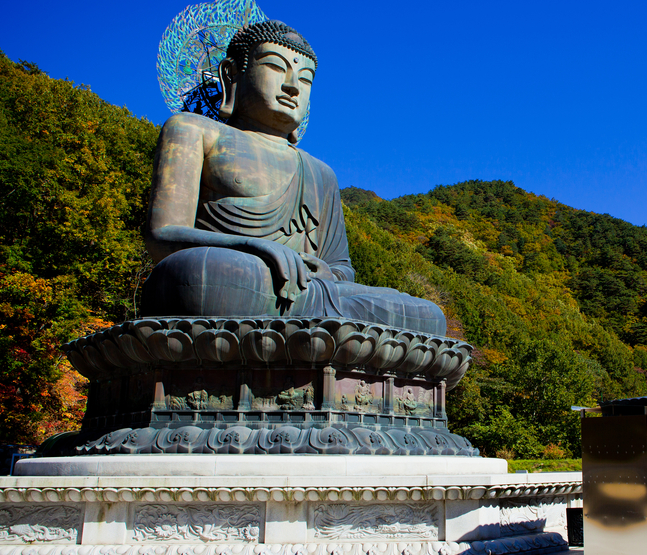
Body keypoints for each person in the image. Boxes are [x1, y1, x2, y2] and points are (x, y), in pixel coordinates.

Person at [140, 20, 446, 335]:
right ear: (231, 75)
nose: (292, 86)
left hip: (303, 291)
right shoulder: (193, 130)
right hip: (231, 279)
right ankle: (326, 330)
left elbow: (341, 269)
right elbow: (162, 235)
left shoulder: (320, 173)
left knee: (428, 316)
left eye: (305, 79)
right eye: (275, 67)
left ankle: (317, 324)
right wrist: (253, 247)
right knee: (193, 275)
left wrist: (326, 272)